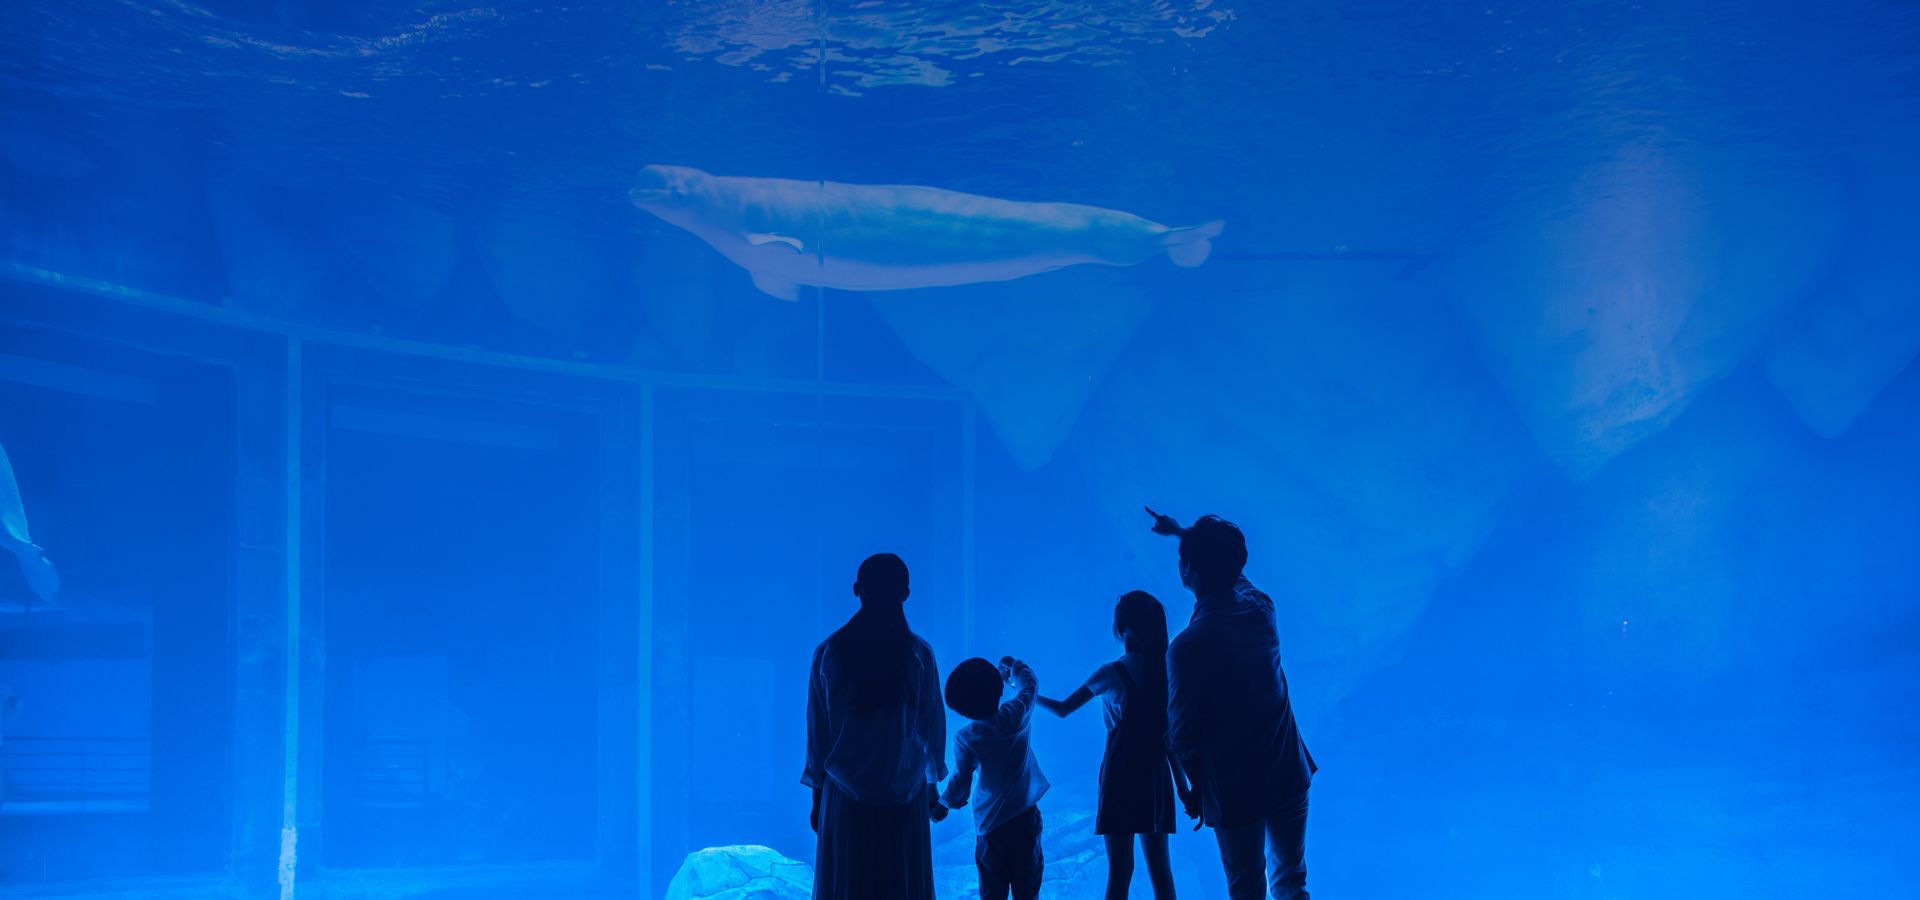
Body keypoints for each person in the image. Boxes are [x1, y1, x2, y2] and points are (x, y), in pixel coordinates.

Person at [1150, 508, 1316, 900]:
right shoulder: (1262, 610)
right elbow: (1228, 570)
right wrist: (1183, 535)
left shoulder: (1186, 648)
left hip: (1234, 790)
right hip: (1287, 773)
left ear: (1187, 570)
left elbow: (1183, 735)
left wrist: (1195, 788)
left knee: (1246, 890)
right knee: (1291, 882)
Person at [802, 553, 950, 900]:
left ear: (857, 589)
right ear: (906, 594)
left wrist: (817, 796)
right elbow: (931, 730)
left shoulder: (828, 654)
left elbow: (818, 735)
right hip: (906, 799)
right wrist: (931, 791)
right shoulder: (920, 655)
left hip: (844, 799)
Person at [1037, 591, 1183, 900]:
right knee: (1161, 871)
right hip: (1157, 778)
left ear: (1121, 628)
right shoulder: (1165, 671)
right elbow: (1169, 738)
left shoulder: (1110, 672)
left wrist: (1027, 693)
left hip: (1122, 778)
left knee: (1120, 871)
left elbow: (1063, 709)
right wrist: (1184, 789)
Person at [943, 655, 1050, 900]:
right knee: (1028, 888)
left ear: (959, 707)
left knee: (992, 890)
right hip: (1026, 820)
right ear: (1000, 689)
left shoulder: (966, 738)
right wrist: (1012, 665)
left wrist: (943, 804)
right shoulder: (1017, 712)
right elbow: (1030, 683)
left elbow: (960, 785)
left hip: (991, 826)